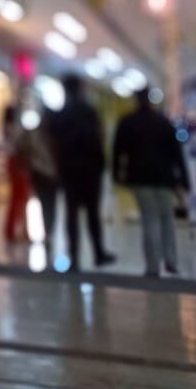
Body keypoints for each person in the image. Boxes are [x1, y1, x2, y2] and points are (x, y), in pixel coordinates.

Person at [112, 87, 188, 277]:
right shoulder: (163, 122)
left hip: (139, 178)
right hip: (164, 178)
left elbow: (118, 151)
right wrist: (184, 179)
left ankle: (153, 266)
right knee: (166, 218)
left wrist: (117, 175)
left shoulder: (127, 123)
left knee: (149, 219)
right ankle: (171, 260)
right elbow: (176, 153)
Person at [47, 73, 115, 272]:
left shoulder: (60, 115)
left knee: (71, 214)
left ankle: (74, 256)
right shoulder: (88, 111)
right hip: (89, 170)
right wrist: (102, 164)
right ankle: (98, 253)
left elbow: (53, 143)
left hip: (68, 170)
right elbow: (96, 140)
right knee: (93, 213)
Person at [18, 110, 58, 256]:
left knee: (49, 205)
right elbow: (21, 148)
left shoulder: (51, 135)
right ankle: (47, 232)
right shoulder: (35, 135)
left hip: (48, 175)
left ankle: (49, 231)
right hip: (42, 175)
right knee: (46, 204)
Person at [1, 105, 31, 243]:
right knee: (19, 198)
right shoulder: (12, 128)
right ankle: (16, 230)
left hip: (14, 162)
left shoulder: (7, 129)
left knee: (18, 198)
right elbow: (20, 146)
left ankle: (15, 230)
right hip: (17, 162)